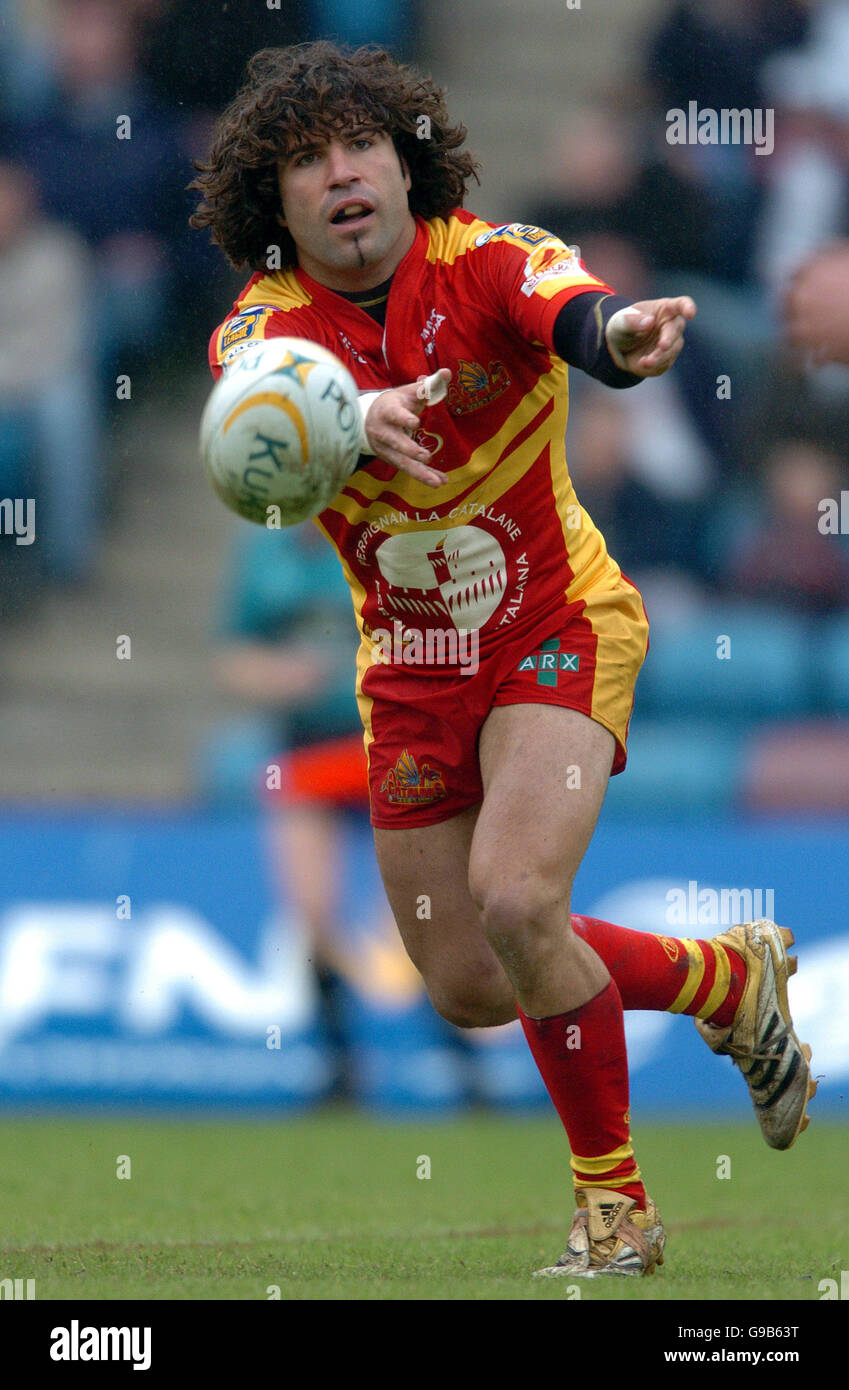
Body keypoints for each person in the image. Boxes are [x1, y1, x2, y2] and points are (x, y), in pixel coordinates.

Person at [191, 41, 815, 1279]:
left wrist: (621, 341)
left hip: (556, 626)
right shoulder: (263, 329)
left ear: (406, 159)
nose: (342, 173)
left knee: (522, 898)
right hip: (412, 674)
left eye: (363, 143)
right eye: (308, 159)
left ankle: (614, 1214)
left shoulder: (487, 258)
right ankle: (724, 980)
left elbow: (575, 313)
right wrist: (352, 416)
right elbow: (256, 397)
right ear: (278, 202)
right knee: (472, 982)